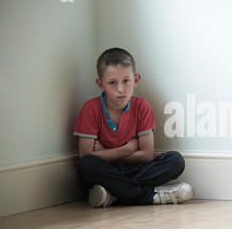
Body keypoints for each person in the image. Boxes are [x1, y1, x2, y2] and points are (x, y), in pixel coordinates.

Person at [73, 47, 193, 208]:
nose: (120, 89)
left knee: (175, 160)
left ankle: (113, 194)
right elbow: (86, 156)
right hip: (103, 173)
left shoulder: (141, 106)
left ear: (136, 80)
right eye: (112, 83)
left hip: (134, 170)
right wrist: (128, 148)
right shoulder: (91, 109)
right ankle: (149, 196)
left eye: (126, 81)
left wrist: (103, 152)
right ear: (100, 84)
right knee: (87, 165)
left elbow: (146, 155)